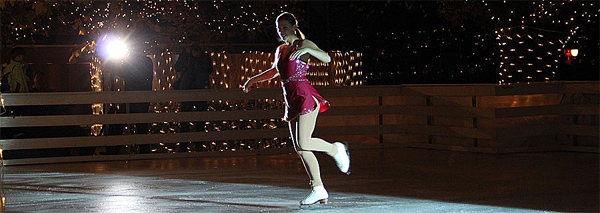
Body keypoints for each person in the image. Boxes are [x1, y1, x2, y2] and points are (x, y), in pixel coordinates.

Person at [242, 12, 350, 206]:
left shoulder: (303, 44)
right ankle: (318, 189)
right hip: (290, 99)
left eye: (284, 27)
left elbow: (326, 59)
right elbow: (275, 71)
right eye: (279, 29)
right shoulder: (281, 49)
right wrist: (253, 79)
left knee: (304, 141)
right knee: (301, 148)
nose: (282, 32)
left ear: (293, 26)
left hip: (304, 96)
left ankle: (336, 149)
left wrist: (309, 52)